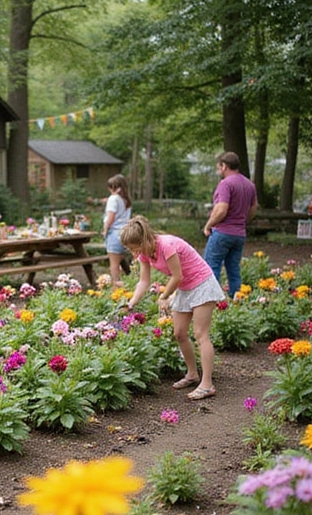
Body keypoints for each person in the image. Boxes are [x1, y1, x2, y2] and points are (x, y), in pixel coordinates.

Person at [121, 215, 225, 400]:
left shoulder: (166, 245)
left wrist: (164, 296)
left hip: (202, 284)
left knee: (201, 335)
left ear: (143, 240)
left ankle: (207, 384)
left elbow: (177, 276)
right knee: (179, 333)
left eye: (133, 248)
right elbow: (144, 281)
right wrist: (130, 303)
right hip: (185, 288)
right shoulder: (145, 253)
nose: (133, 253)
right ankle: (193, 374)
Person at [203, 151, 257, 299]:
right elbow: (253, 208)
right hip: (239, 234)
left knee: (211, 266)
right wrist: (243, 221)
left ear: (224, 166)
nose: (218, 170)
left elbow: (221, 210)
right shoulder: (249, 185)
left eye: (219, 167)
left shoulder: (225, 184)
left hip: (222, 232)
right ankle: (237, 300)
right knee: (233, 269)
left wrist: (208, 225)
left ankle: (213, 301)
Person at [103, 174, 132, 286]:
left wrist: (105, 229)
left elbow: (111, 217)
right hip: (125, 232)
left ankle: (115, 286)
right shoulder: (125, 199)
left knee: (114, 263)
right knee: (121, 261)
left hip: (114, 232)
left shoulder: (113, 199)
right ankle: (127, 283)